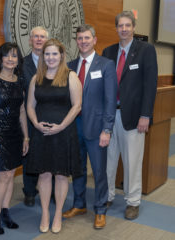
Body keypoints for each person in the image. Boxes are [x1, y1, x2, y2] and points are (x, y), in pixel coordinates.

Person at [102, 10, 157, 220]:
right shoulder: (107, 51)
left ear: (133, 27)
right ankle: (107, 196)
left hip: (134, 117)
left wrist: (146, 115)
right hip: (109, 117)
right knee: (108, 160)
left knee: (133, 161)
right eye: (120, 26)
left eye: (127, 25)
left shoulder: (145, 50)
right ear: (116, 28)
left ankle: (133, 201)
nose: (123, 29)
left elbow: (149, 86)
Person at [62, 25, 117, 229]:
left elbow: (111, 100)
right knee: (77, 168)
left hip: (97, 127)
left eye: (87, 38)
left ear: (94, 40)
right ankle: (79, 204)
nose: (83, 41)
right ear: (76, 41)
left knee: (99, 170)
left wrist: (107, 129)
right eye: (79, 38)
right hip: (74, 126)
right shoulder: (70, 65)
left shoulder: (106, 65)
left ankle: (100, 209)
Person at [26, 39, 82, 233]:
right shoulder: (36, 78)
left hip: (63, 132)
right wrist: (35, 123)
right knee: (44, 174)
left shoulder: (71, 76)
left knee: (60, 175)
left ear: (61, 55)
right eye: (47, 54)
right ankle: (45, 213)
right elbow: (30, 107)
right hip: (41, 134)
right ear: (43, 56)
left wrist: (61, 127)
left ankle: (58, 213)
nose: (50, 57)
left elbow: (77, 106)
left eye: (54, 54)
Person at [0, 42, 29, 235]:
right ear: (0, 58)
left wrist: (26, 137)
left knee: (11, 175)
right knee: (3, 175)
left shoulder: (20, 81)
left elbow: (22, 111)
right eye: (7, 55)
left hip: (15, 134)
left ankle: (5, 213)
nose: (10, 59)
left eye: (14, 56)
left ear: (18, 60)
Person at [22, 26, 49, 207]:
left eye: (42, 37)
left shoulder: (54, 61)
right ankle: (30, 191)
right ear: (30, 40)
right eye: (35, 37)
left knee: (51, 153)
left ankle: (50, 189)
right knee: (29, 154)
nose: (39, 39)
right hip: (29, 117)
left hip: (50, 115)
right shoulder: (21, 64)